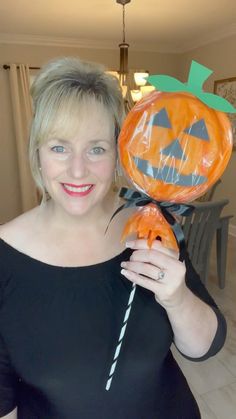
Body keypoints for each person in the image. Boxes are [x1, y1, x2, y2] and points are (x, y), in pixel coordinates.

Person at [0, 57, 226, 419]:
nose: (78, 169)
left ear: (119, 152)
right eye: (59, 147)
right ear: (37, 154)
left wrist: (178, 298)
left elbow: (206, 347)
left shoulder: (152, 226)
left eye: (96, 148)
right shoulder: (5, 258)